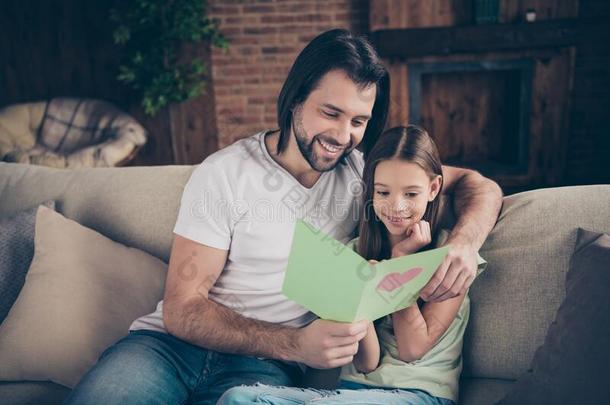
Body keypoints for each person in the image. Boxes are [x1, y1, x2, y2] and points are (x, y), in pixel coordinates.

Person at [65, 29, 502, 405]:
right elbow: (183, 310)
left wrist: (464, 244)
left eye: (358, 121)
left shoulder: (367, 178)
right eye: (330, 113)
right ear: (295, 100)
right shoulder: (225, 173)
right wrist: (295, 343)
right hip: (168, 349)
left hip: (266, 371)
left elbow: (477, 185)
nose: (341, 135)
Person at [218, 125, 486, 404]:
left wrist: (398, 267)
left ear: (433, 189)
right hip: (351, 391)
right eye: (383, 193)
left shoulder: (451, 257)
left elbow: (411, 348)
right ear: (371, 191)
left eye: (410, 194)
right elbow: (367, 362)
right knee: (237, 398)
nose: (396, 206)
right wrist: (363, 298)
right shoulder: (355, 251)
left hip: (417, 394)